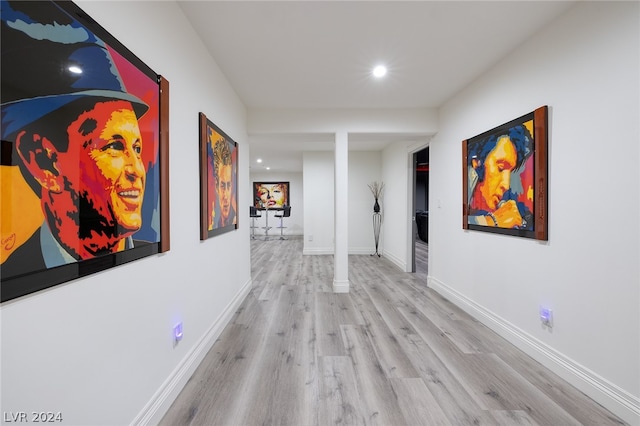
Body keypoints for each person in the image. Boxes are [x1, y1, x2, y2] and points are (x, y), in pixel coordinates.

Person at [1, 0, 151, 278]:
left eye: (137, 148)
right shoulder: (15, 275)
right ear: (44, 161)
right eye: (115, 146)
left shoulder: (147, 258)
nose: (137, 170)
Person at [467, 124, 533, 229]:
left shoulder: (509, 199)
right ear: (477, 163)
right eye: (500, 168)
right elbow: (451, 223)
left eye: (510, 172)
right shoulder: (460, 188)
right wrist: (492, 221)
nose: (506, 185)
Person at [213, 138, 236, 227]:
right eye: (222, 186)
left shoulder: (235, 219)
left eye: (228, 185)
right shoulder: (215, 223)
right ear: (216, 186)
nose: (226, 196)